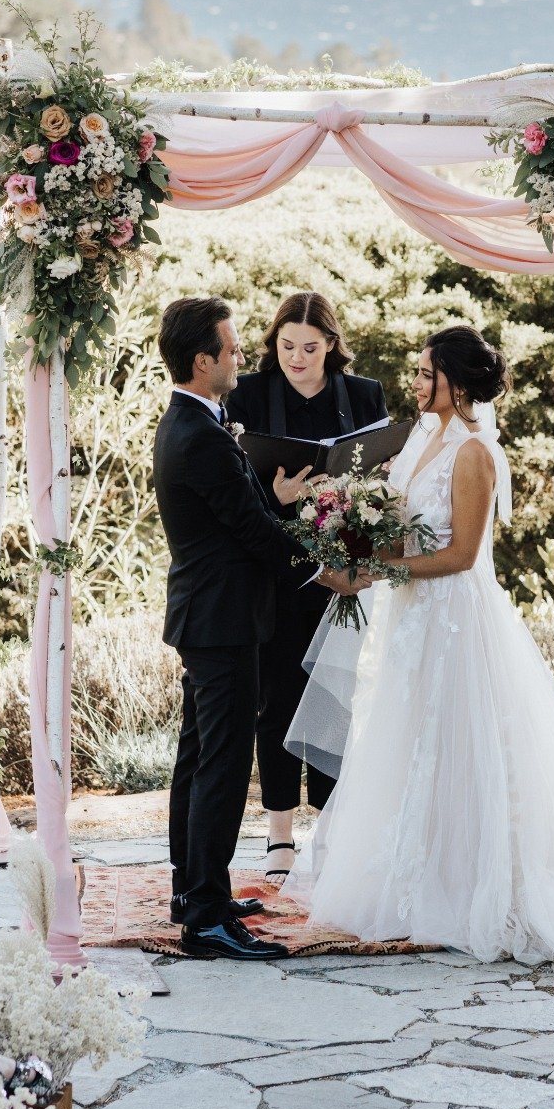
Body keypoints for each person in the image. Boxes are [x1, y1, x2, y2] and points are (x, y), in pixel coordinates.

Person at [285, 324, 554, 975]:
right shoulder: (419, 441)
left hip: (457, 622)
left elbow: (458, 554)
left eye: (428, 374)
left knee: (461, 743)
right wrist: (357, 555)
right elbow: (401, 534)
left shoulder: (475, 452)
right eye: (418, 372)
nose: (417, 383)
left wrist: (380, 573)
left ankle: (471, 882)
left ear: (457, 380)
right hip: (412, 620)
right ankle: (416, 875)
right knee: (411, 741)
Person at [153, 295, 358, 962]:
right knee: (220, 763)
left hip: (207, 613)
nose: (242, 356)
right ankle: (207, 918)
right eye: (231, 348)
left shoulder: (197, 423)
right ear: (202, 359)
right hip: (222, 617)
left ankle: (194, 893)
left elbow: (243, 517)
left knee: (198, 756)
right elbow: (253, 529)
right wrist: (326, 573)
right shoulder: (202, 435)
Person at [226, 291, 388, 882]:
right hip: (276, 568)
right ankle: (278, 835)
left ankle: (333, 827)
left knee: (335, 693)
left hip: (343, 568)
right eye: (286, 346)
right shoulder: (245, 395)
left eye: (310, 347)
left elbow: (382, 478)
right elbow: (235, 491)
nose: (297, 358)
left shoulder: (364, 394)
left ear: (331, 346)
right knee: (278, 697)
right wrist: (279, 497)